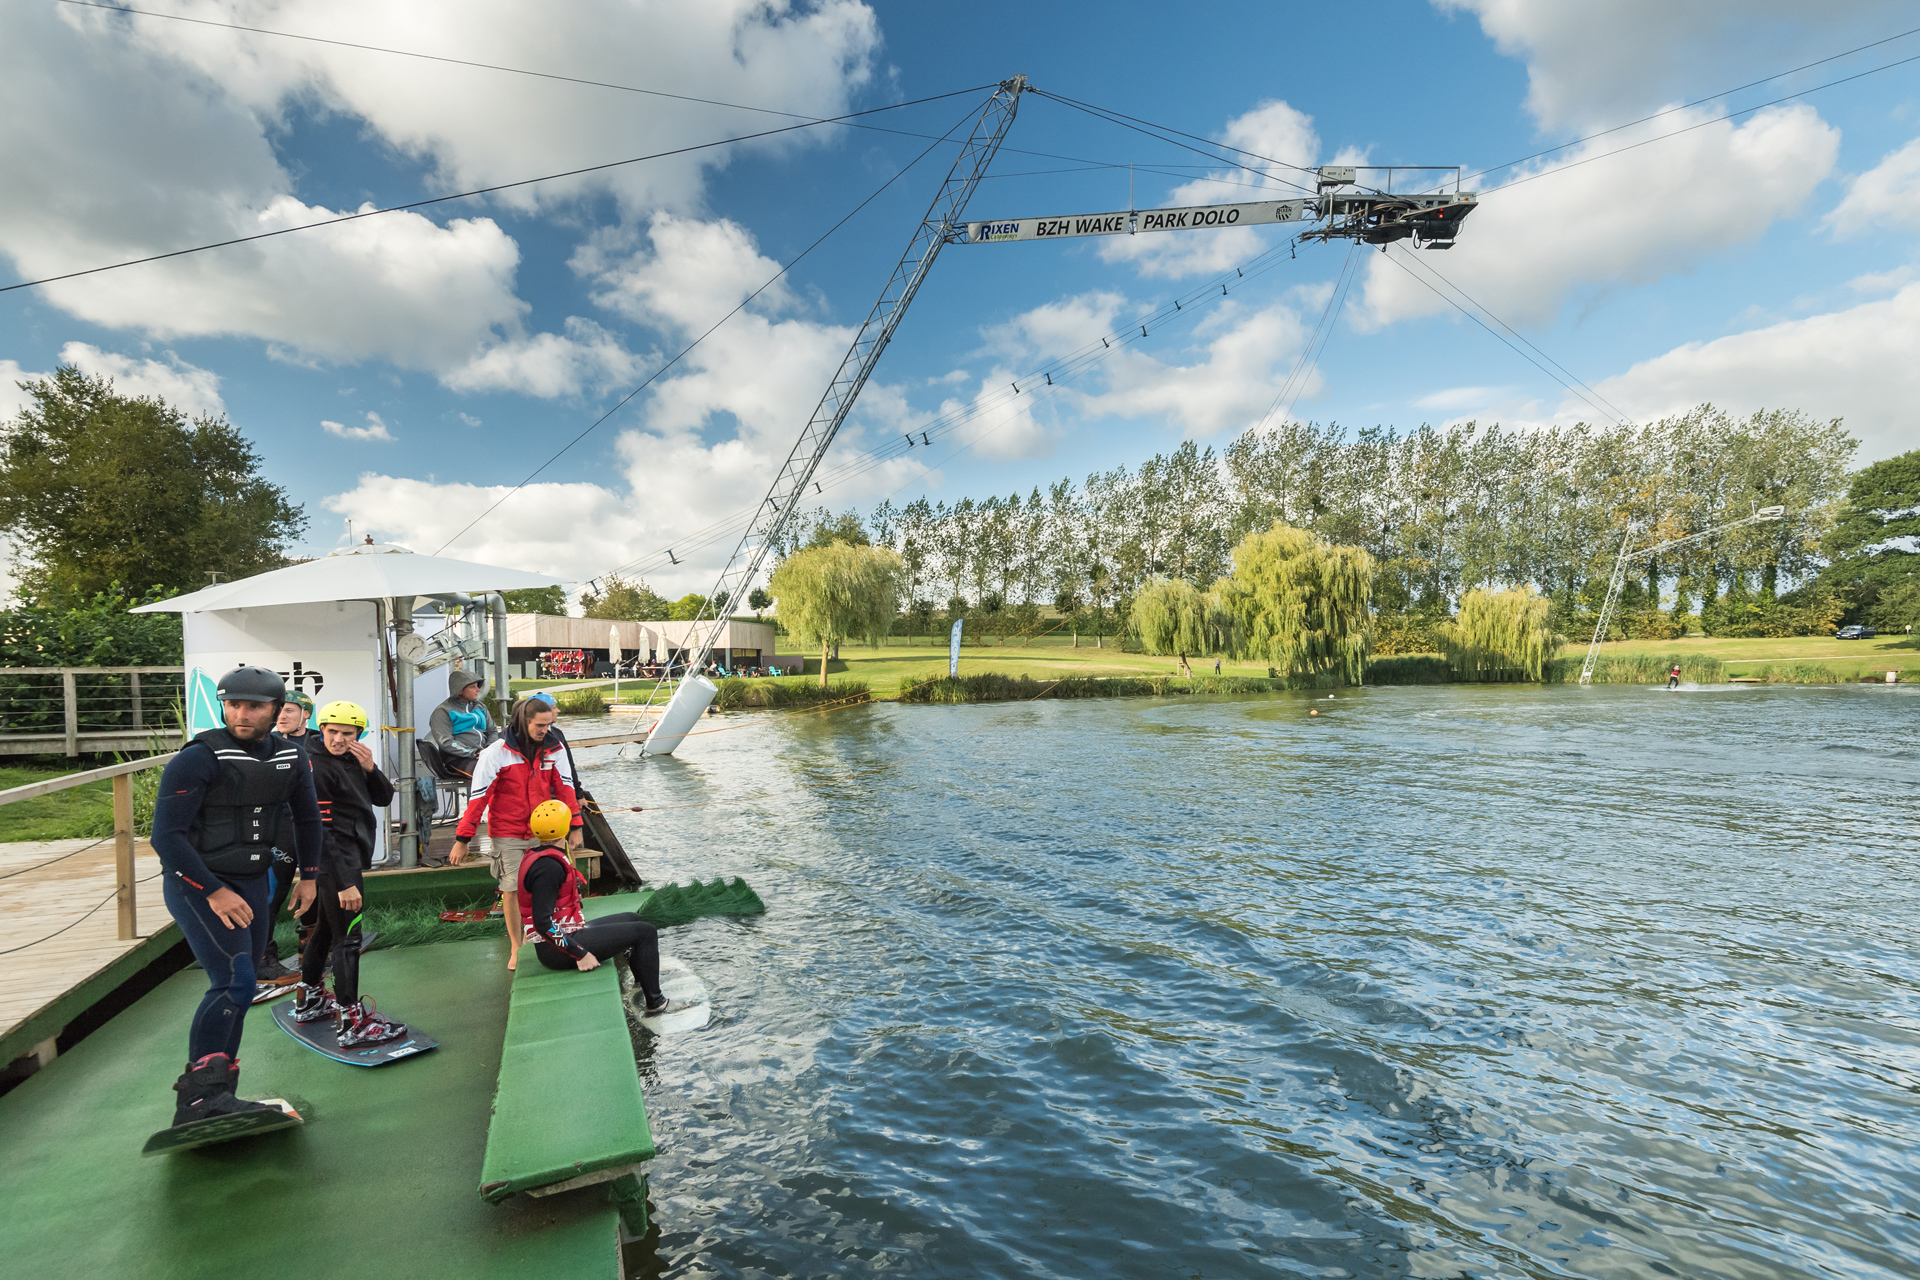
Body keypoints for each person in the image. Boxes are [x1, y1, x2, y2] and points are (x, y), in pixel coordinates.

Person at [150, 665, 320, 1126]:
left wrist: (310, 876)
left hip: (252, 883)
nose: (241, 714)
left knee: (241, 989)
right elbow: (166, 837)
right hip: (198, 886)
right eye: (233, 704)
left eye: (254, 706)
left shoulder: (290, 757)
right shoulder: (198, 757)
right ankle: (198, 1102)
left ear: (277, 709)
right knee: (234, 982)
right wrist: (214, 891)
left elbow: (307, 819)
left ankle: (217, 1093)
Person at [290, 701, 407, 1045]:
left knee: (325, 931)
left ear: (359, 734)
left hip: (346, 856)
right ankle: (351, 1022)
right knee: (348, 940)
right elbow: (322, 831)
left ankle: (309, 999)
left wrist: (370, 768)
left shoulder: (352, 759)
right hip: (337, 861)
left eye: (348, 733)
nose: (339, 739)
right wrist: (344, 884)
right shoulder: (316, 768)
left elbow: (384, 798)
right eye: (333, 732)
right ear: (321, 728)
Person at [517, 800, 689, 1016]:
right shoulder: (549, 868)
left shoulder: (540, 853)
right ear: (566, 828)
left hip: (564, 938)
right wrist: (579, 953)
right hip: (556, 951)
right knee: (646, 932)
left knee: (632, 918)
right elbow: (543, 923)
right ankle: (656, 1003)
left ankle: (641, 980)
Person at [448, 697, 583, 968]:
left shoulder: (554, 748)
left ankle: (547, 935)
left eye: (549, 724)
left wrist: (576, 827)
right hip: (507, 831)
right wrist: (462, 840)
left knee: (553, 883)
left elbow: (567, 788)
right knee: (510, 888)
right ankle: (516, 946)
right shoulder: (495, 753)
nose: (546, 730)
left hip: (545, 830)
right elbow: (478, 799)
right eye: (541, 725)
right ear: (524, 722)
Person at [255, 687, 317, 981]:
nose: (281, 716)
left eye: (289, 710)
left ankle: (312, 945)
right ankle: (263, 957)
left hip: (311, 825)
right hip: (276, 827)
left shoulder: (320, 741)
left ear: (306, 714)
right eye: (278, 710)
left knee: (319, 883)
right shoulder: (263, 742)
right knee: (272, 892)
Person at [428, 668, 498, 780]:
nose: (478, 690)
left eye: (477, 686)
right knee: (485, 773)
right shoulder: (443, 711)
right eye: (473, 687)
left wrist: (488, 749)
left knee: (509, 770)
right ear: (460, 690)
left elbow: (493, 731)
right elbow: (446, 742)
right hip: (457, 759)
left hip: (484, 756)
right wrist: (474, 753)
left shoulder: (481, 707)